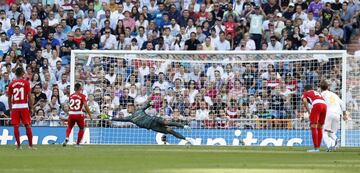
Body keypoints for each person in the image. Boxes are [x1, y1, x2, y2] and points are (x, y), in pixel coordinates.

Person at [111, 97, 193, 144]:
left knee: (167, 122)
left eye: (129, 107)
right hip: (153, 127)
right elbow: (120, 119)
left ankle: (184, 126)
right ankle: (186, 139)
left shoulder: (139, 110)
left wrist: (151, 102)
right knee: (170, 130)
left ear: (132, 107)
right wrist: (109, 117)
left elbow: (146, 105)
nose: (128, 108)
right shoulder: (130, 118)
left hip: (154, 120)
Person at [8, 67, 35, 150]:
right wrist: (32, 107)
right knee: (27, 125)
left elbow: (9, 98)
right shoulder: (26, 83)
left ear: (16, 74)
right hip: (24, 106)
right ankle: (30, 146)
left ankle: (18, 146)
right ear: (23, 74)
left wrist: (10, 109)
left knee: (16, 126)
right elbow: (29, 96)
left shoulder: (11, 84)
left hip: (15, 107)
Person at [320, 80, 347, 152]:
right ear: (328, 87)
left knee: (324, 132)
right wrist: (344, 114)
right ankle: (334, 146)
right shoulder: (333, 94)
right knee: (332, 132)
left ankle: (331, 144)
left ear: (320, 88)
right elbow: (342, 103)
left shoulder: (321, 95)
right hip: (338, 114)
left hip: (329, 113)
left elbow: (319, 105)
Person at [302, 85, 327, 152]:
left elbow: (304, 101)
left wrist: (308, 111)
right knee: (320, 126)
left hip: (317, 105)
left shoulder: (305, 93)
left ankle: (316, 148)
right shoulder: (316, 92)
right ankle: (318, 147)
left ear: (305, 90)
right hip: (324, 105)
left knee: (313, 126)